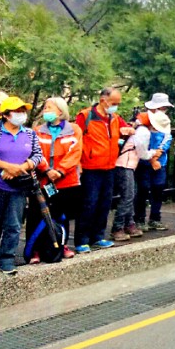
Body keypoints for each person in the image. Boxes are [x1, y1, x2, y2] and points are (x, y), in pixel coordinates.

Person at [0, 96, 44, 277]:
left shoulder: (29, 134)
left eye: (23, 111)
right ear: (5, 115)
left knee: (13, 226)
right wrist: (6, 166)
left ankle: (6, 259)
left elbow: (37, 155)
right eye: (17, 111)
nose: (21, 115)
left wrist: (20, 168)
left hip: (19, 188)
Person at [74, 87, 134, 253]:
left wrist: (128, 129)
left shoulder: (114, 117)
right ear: (103, 101)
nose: (115, 107)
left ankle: (98, 236)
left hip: (109, 166)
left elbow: (125, 128)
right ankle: (82, 239)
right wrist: (78, 163)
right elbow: (76, 139)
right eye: (114, 103)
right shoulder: (85, 116)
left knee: (104, 203)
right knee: (89, 204)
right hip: (90, 167)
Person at [30, 97, 82, 261]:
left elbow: (75, 152)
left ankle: (61, 244)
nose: (46, 110)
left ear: (60, 111)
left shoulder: (74, 129)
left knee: (61, 215)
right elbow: (35, 151)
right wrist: (46, 169)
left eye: (49, 107)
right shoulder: (38, 130)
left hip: (66, 181)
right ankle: (35, 250)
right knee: (37, 214)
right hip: (43, 181)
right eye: (45, 108)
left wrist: (60, 171)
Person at [133, 93, 174, 232]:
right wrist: (151, 159)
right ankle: (139, 219)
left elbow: (167, 139)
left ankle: (155, 218)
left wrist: (157, 156)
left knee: (158, 188)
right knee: (143, 189)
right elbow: (140, 143)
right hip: (144, 160)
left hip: (160, 161)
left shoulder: (165, 120)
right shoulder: (142, 119)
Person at [109, 122, 143, 242]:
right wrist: (154, 154)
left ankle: (129, 223)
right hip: (124, 165)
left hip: (127, 165)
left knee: (131, 194)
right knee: (128, 196)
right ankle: (117, 227)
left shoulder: (136, 131)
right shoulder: (141, 133)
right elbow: (143, 151)